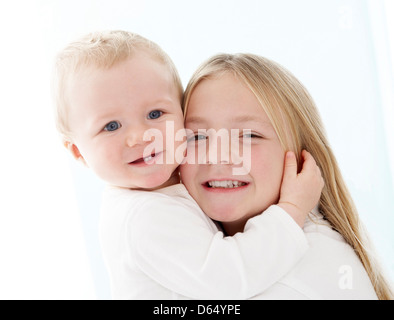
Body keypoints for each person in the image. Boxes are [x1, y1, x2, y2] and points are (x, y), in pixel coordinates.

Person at [52, 30, 324, 299]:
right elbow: (228, 280)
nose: (141, 136)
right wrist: (291, 210)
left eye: (155, 114)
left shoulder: (163, 195)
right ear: (78, 152)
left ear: (182, 113)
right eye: (111, 126)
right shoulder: (146, 216)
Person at [180, 53, 393, 300]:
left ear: (304, 157)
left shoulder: (305, 274)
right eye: (197, 137)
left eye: (249, 136)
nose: (216, 156)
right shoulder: (227, 256)